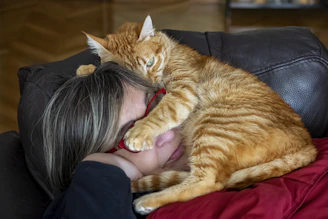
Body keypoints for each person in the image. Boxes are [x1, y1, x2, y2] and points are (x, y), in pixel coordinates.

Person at [42, 62, 186, 218]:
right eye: (131, 135)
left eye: (157, 108)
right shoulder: (87, 198)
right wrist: (102, 170)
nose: (168, 134)